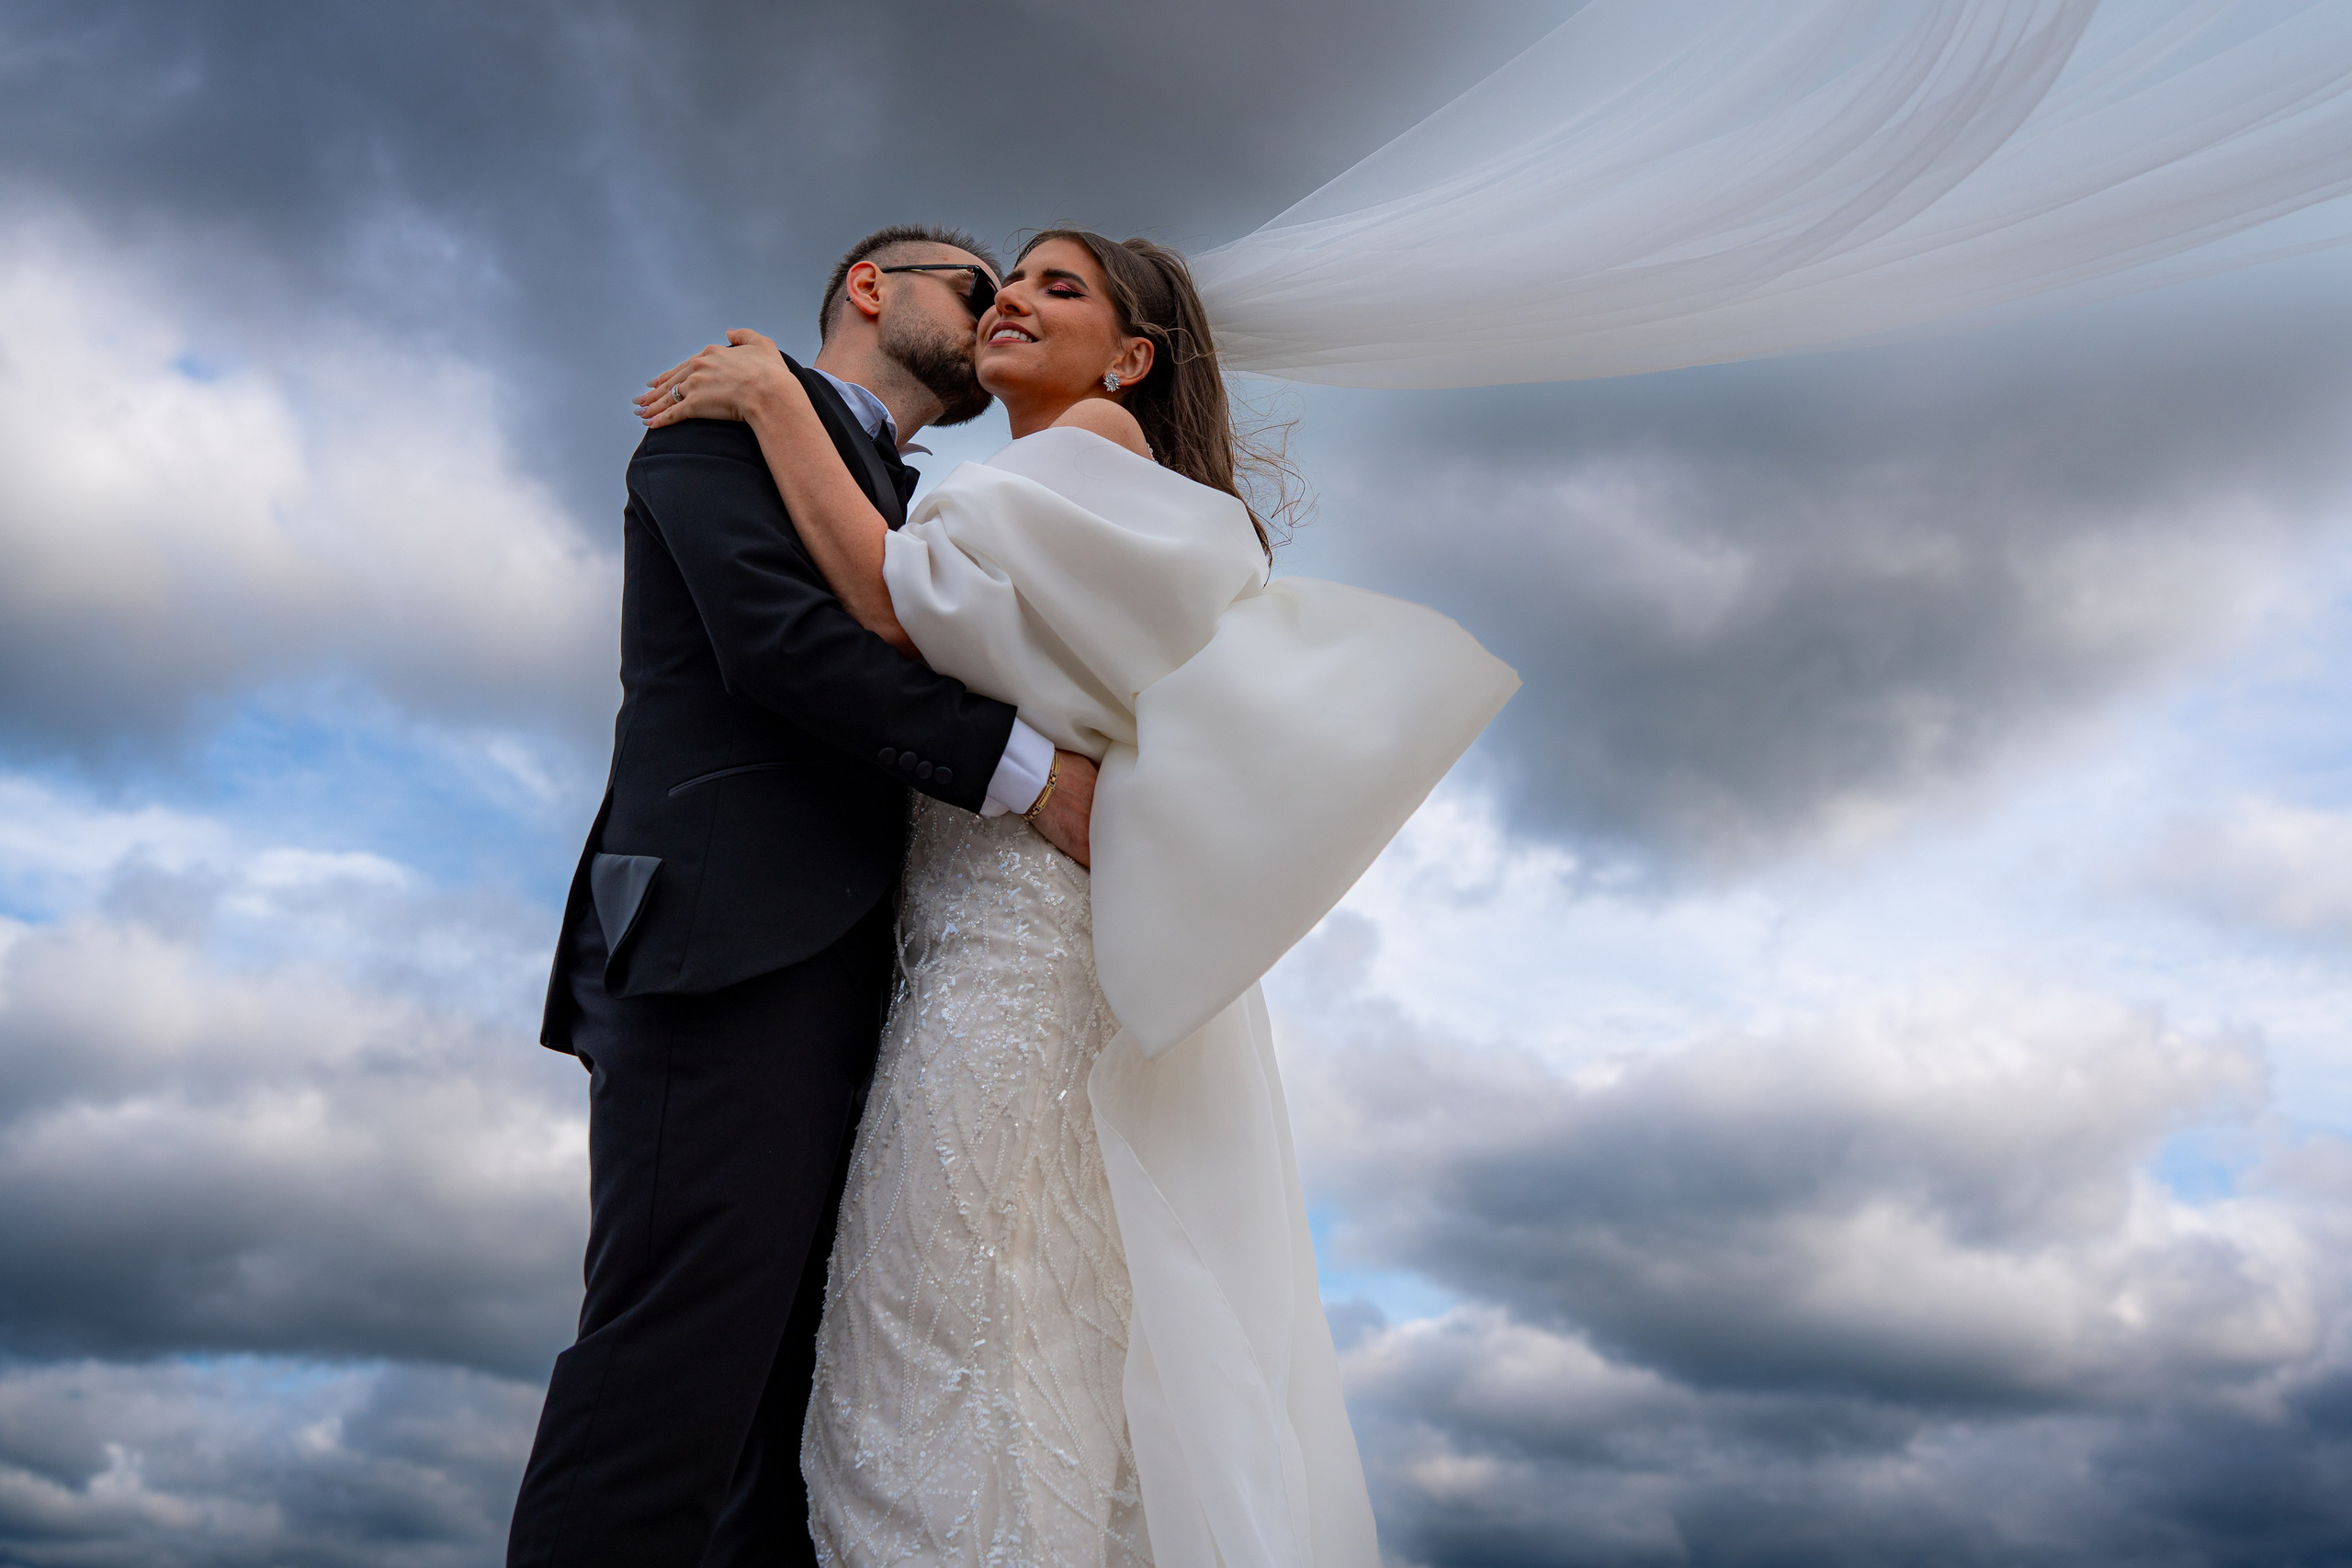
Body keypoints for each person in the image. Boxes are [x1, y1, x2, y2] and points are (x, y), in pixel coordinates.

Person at [643, 231, 1519, 1567]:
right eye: (1005, 282)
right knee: (1015, 1353)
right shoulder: (1082, 482)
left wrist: (771, 395)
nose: (1013, 300)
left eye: (1060, 286)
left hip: (1007, 973)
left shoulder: (1090, 455)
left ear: (1130, 356)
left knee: (939, 1362)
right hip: (992, 960)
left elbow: (888, 602)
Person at [509, 224, 1100, 1568]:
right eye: (976, 282)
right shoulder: (718, 420)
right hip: (722, 947)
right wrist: (1031, 774)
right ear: (872, 289)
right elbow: (783, 642)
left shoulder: (925, 511)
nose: (1001, 302)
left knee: (802, 1426)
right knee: (674, 1370)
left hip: (882, 990)